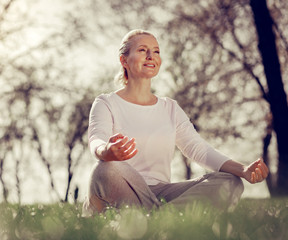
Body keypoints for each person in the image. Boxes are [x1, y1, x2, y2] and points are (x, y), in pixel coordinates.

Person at [82, 29, 269, 216]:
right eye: (142, 50)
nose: (151, 56)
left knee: (230, 182)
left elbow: (197, 148)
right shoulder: (107, 103)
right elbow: (97, 138)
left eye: (156, 51)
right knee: (105, 168)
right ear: (124, 60)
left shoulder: (169, 108)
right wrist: (105, 151)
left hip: (162, 194)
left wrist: (243, 170)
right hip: (124, 191)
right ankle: (166, 222)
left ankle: (157, 222)